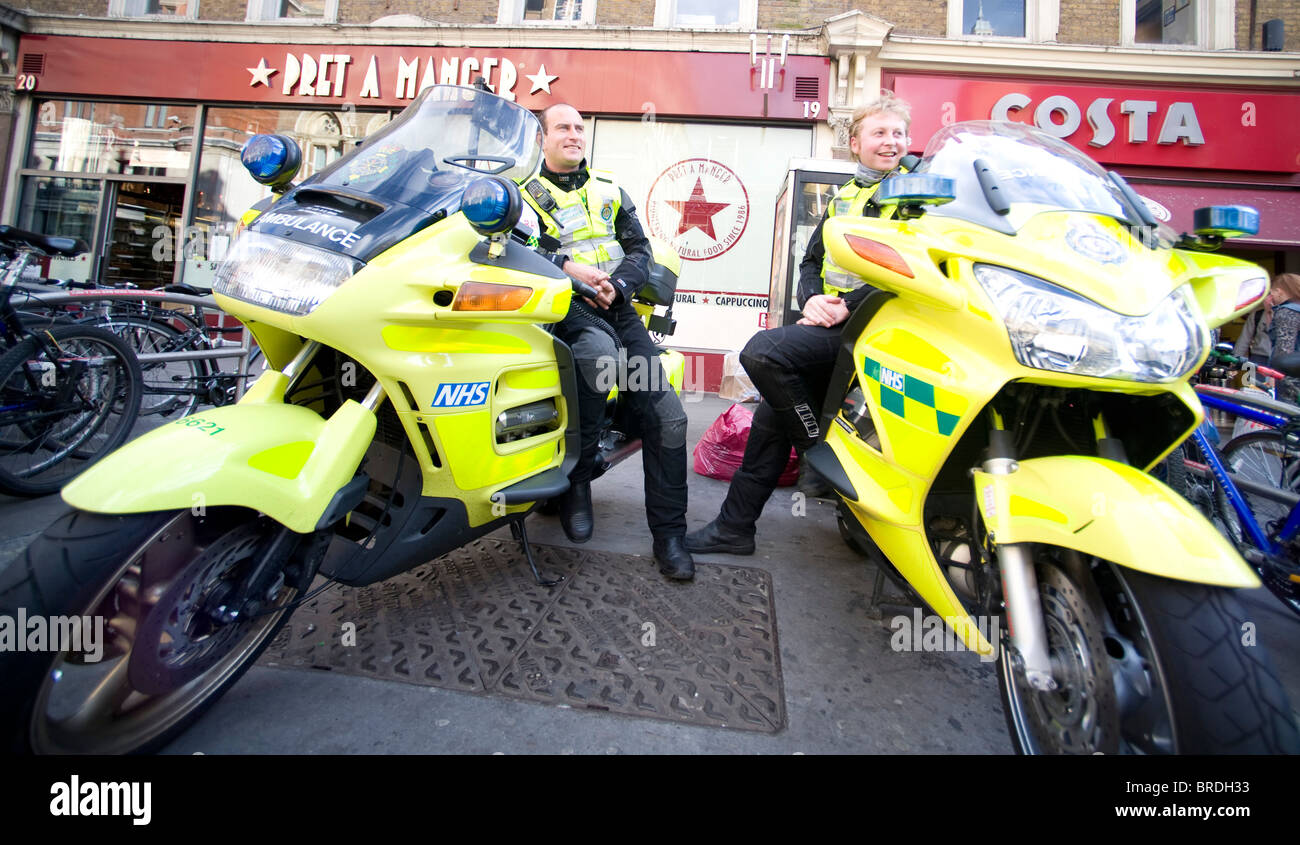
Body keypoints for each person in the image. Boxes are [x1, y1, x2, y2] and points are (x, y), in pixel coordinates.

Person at [685, 91, 912, 555]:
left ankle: (817, 451)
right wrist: (812, 302)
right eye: (880, 133)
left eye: (899, 133)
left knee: (762, 352)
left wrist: (849, 303)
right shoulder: (845, 195)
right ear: (855, 142)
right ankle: (734, 528)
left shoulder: (916, 193)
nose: (891, 142)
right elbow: (810, 262)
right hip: (830, 326)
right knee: (769, 424)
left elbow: (910, 264)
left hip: (875, 328)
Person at [521, 102, 694, 580]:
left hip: (617, 304)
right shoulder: (520, 195)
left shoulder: (610, 188)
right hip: (563, 308)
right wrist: (567, 270)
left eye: (579, 127)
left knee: (670, 417)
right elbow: (517, 249)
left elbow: (638, 248)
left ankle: (671, 538)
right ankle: (577, 484)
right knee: (597, 361)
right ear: (543, 139)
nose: (573, 134)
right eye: (562, 128)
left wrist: (619, 284)